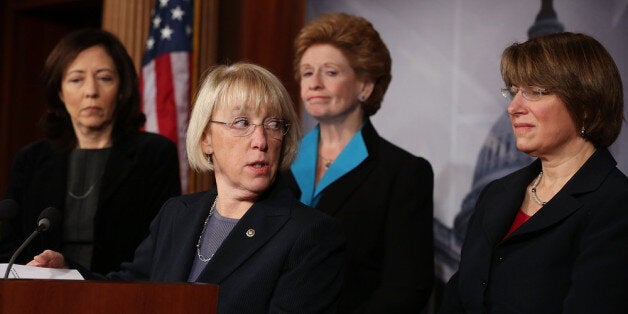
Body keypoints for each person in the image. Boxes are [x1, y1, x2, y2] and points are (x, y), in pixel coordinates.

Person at [29, 62, 347, 313]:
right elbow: (129, 290)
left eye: (273, 124)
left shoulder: (310, 234)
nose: (261, 141)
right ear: (206, 138)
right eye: (242, 123)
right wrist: (67, 272)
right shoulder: (177, 214)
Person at [440, 32, 628, 313]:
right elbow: (459, 296)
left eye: (535, 91)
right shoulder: (496, 194)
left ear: (586, 106)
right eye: (513, 92)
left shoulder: (616, 204)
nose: (513, 108)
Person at [281, 12, 434, 313]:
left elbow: (407, 287)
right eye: (308, 72)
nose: (315, 83)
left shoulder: (403, 172)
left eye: (331, 72)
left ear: (365, 85)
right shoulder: (277, 162)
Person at [1, 29, 181, 273]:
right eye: (76, 79)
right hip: (40, 293)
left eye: (104, 78)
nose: (91, 91)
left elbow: (160, 249)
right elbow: (8, 244)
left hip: (121, 296)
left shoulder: (154, 155)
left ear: (121, 89)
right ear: (60, 92)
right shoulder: (31, 160)